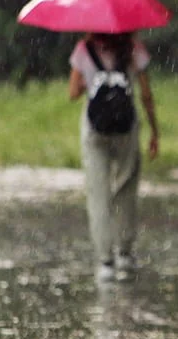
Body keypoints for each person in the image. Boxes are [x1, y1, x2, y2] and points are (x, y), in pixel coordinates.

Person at [68, 31, 160, 283]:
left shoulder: (83, 50)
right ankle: (125, 252)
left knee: (98, 193)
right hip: (126, 128)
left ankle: (105, 260)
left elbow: (73, 92)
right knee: (126, 187)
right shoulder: (133, 49)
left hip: (94, 129)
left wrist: (94, 80)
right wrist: (154, 131)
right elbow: (146, 94)